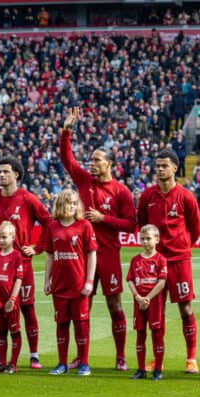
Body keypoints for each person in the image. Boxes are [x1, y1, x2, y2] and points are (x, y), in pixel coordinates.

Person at [60, 106, 137, 371]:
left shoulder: (121, 192)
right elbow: (67, 159)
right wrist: (66, 129)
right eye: (91, 160)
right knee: (83, 307)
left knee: (115, 305)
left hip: (109, 255)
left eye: (97, 161)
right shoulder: (83, 180)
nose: (91, 164)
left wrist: (104, 220)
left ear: (110, 165)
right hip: (83, 257)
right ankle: (81, 358)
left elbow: (131, 224)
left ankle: (121, 356)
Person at [0, 156, 51, 369]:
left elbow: (48, 223)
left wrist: (37, 248)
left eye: (5, 171)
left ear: (16, 174)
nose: (1, 175)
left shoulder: (27, 199)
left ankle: (34, 354)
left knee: (27, 308)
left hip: (22, 265)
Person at [138, 149, 200, 373]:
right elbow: (143, 224)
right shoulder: (147, 197)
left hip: (179, 261)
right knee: (156, 312)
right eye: (158, 166)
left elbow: (195, 229)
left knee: (185, 308)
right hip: (155, 263)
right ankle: (157, 358)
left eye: (164, 165)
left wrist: (180, 247)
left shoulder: (186, 197)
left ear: (175, 168)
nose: (160, 169)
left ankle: (191, 357)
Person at [43, 189, 97, 376]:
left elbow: (92, 255)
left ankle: (84, 363)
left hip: (79, 286)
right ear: (60, 204)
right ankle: (62, 363)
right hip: (59, 286)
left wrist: (89, 281)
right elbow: (49, 256)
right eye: (69, 203)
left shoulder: (84, 226)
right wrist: (46, 281)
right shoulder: (52, 227)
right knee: (62, 324)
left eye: (75, 203)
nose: (73, 206)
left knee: (81, 325)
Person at [126, 224, 167, 381]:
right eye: (142, 239)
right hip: (139, 302)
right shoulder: (135, 260)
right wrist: (137, 297)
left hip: (154, 302)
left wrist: (147, 298)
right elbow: (130, 280)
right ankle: (141, 369)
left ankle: (157, 369)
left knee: (157, 334)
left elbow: (162, 283)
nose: (145, 242)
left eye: (148, 238)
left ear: (157, 239)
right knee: (140, 334)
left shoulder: (161, 260)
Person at [0, 222, 23, 374]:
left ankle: (13, 364)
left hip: (9, 302)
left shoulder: (16, 256)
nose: (1, 240)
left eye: (4, 237)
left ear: (13, 237)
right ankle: (1, 362)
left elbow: (19, 279)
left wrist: (13, 298)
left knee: (14, 331)